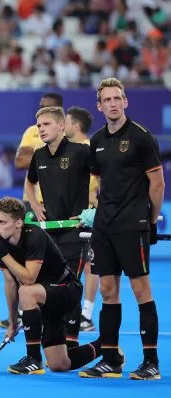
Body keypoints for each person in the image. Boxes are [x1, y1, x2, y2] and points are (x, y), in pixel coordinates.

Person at [79, 78, 164, 380]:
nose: (113, 104)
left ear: (126, 102)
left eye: (118, 98)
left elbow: (157, 184)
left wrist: (151, 221)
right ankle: (111, 358)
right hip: (105, 224)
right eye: (107, 99)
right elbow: (100, 182)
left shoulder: (142, 137)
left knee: (141, 290)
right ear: (99, 105)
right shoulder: (97, 140)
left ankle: (151, 362)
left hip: (133, 224)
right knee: (107, 289)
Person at [0, 197, 103, 375]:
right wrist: (12, 323)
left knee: (26, 291)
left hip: (67, 289)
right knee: (60, 364)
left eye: (2, 222)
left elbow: (28, 279)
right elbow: (10, 284)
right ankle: (108, 346)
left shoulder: (35, 236)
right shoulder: (0, 242)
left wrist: (3, 254)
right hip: (44, 296)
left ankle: (33, 359)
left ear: (18, 223)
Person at [24, 106, 91, 348]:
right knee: (49, 285)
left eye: (46, 124)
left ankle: (71, 342)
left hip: (75, 232)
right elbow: (29, 182)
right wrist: (34, 205)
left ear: (61, 126)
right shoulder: (39, 155)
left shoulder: (81, 152)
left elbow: (105, 177)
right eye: (39, 125)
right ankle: (53, 343)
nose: (40, 129)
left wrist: (95, 208)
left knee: (70, 286)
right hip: (48, 233)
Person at [0, 92, 64, 329]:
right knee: (25, 260)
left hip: (59, 207)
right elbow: (20, 162)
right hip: (30, 203)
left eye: (46, 110)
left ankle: (56, 308)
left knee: (55, 260)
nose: (39, 114)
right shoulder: (31, 131)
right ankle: (22, 311)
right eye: (39, 108)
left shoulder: (71, 142)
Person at [64, 106, 100, 332]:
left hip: (88, 217)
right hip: (71, 218)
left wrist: (94, 210)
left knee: (90, 266)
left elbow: (99, 183)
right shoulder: (68, 149)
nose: (63, 125)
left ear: (76, 126)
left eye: (66, 121)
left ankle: (85, 314)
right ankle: (72, 311)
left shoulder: (90, 149)